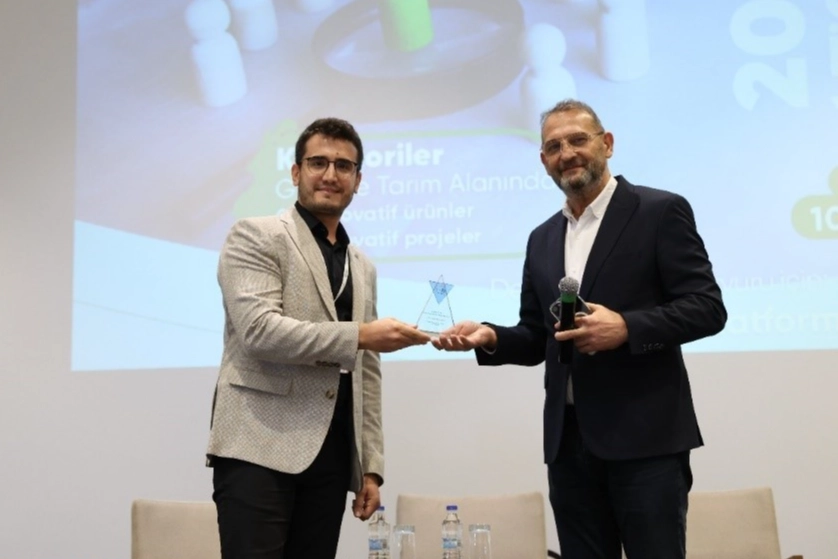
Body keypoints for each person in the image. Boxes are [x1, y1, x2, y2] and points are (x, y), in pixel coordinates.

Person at [433, 99, 726, 559]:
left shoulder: (659, 211)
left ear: (606, 144)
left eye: (577, 140)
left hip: (646, 442)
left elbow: (708, 308)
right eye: (553, 146)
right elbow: (538, 336)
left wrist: (626, 327)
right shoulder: (542, 238)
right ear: (543, 160)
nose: (566, 153)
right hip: (568, 445)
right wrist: (489, 337)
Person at [206, 117, 431, 559]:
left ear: (357, 181)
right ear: (296, 172)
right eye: (318, 163)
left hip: (331, 457)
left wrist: (370, 466)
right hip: (257, 447)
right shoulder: (255, 235)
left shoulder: (362, 265)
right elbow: (259, 332)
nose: (331, 174)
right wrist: (360, 334)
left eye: (344, 166)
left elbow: (367, 372)